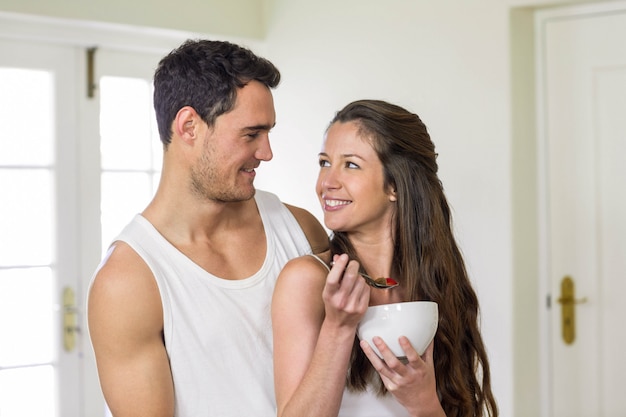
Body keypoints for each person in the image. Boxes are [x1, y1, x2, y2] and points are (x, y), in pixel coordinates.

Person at [87, 39, 329, 417]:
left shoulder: (301, 230)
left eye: (268, 133)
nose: (267, 152)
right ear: (189, 127)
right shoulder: (128, 282)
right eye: (251, 134)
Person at [272, 100, 498, 417]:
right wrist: (338, 328)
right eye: (325, 163)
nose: (327, 183)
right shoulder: (308, 279)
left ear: (394, 184)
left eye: (350, 165)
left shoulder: (435, 281)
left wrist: (424, 403)